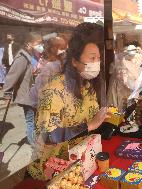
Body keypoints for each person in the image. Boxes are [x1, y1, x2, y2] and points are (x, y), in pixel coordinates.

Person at [28, 22, 111, 180]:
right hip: (54, 168)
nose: (97, 63)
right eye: (92, 58)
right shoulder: (53, 91)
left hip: (81, 158)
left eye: (99, 58)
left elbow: (92, 118)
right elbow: (48, 136)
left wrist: (104, 119)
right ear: (74, 61)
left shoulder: (87, 86)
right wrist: (89, 125)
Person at [3, 32, 44, 147]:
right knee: (31, 121)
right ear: (29, 44)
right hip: (27, 96)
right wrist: (7, 93)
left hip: (35, 94)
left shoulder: (33, 55)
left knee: (36, 119)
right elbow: (12, 75)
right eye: (38, 43)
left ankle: (35, 139)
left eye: (42, 43)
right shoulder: (23, 57)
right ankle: (34, 144)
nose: (41, 46)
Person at [29, 36, 67, 108]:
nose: (64, 51)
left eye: (63, 48)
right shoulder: (61, 64)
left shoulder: (51, 66)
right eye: (62, 48)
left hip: (47, 105)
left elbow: (43, 89)